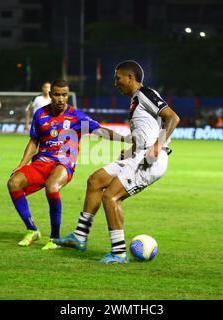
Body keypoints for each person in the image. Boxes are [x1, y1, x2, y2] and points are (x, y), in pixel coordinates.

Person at [55, 60, 180, 264]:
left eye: (117, 77)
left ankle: (119, 253)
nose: (115, 82)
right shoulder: (135, 101)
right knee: (95, 180)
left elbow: (173, 118)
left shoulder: (145, 94)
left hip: (150, 159)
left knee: (111, 197)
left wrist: (157, 146)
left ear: (130, 77)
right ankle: (79, 236)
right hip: (138, 155)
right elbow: (147, 131)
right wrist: (131, 150)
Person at [7, 79, 129, 250]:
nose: (61, 98)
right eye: (57, 94)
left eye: (64, 95)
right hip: (42, 160)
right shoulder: (40, 114)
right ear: (50, 95)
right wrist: (22, 164)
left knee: (52, 186)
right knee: (13, 183)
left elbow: (100, 130)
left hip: (64, 163)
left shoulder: (76, 116)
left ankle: (54, 238)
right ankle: (32, 230)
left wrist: (125, 138)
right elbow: (34, 141)